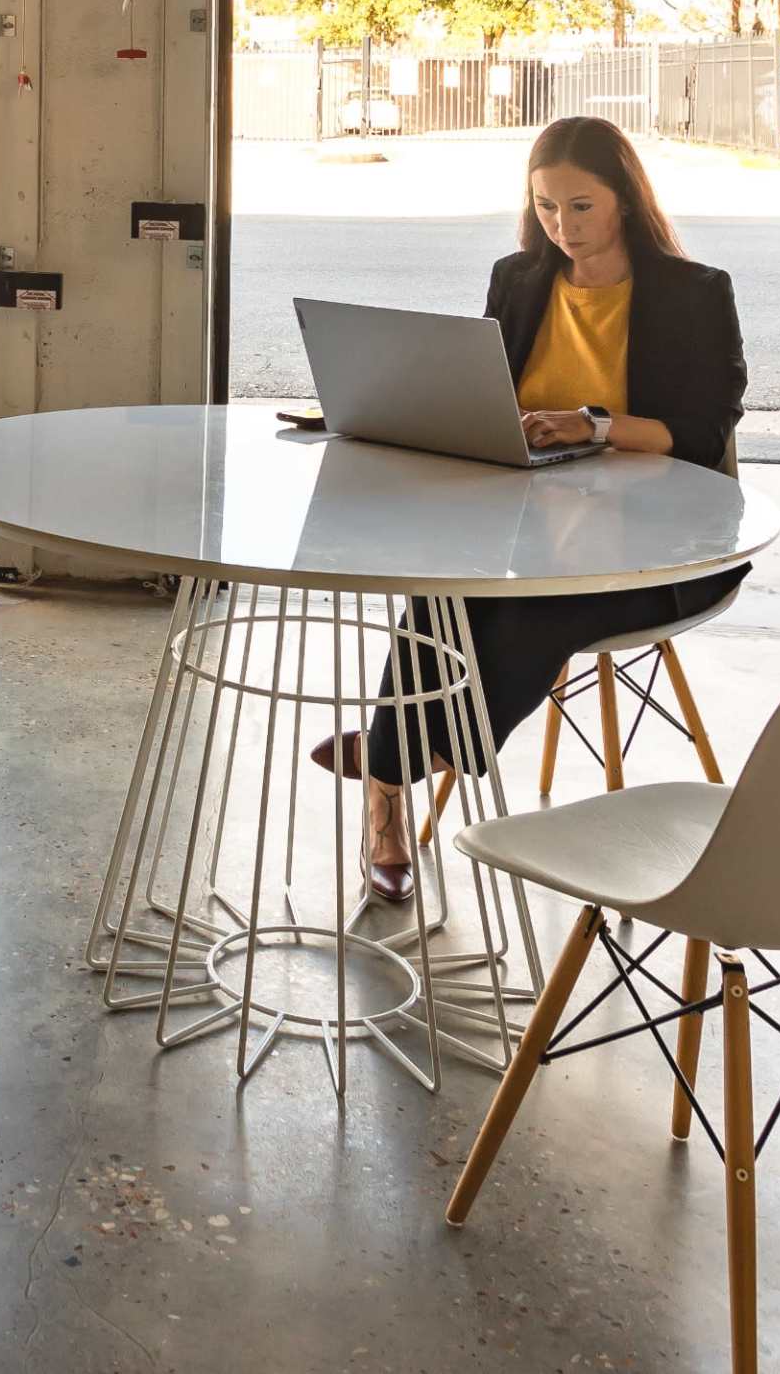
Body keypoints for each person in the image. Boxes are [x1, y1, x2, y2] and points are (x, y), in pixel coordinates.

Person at [309, 115, 752, 900]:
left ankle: (394, 762)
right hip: (531, 512)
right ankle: (393, 785)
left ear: (624, 197)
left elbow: (703, 431)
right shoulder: (518, 278)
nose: (563, 226)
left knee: (541, 608)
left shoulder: (696, 292)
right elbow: (483, 386)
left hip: (662, 543)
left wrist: (597, 426)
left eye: (581, 206)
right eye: (546, 206)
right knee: (443, 590)